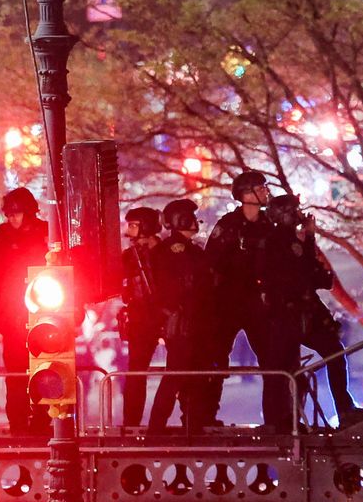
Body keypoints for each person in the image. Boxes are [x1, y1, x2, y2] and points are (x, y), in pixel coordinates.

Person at [267, 195, 363, 428]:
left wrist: (309, 237)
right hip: (290, 316)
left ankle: (341, 411)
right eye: (294, 210)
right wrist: (309, 238)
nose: (299, 214)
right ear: (285, 214)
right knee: (291, 367)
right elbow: (308, 273)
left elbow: (312, 272)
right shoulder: (280, 243)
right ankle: (285, 421)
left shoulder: (289, 241)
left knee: (330, 354)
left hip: (299, 313)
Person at [206, 171, 282, 428]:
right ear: (246, 194)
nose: (266, 192)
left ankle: (274, 419)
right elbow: (210, 265)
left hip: (257, 305)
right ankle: (206, 416)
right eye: (261, 188)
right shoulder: (227, 225)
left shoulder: (269, 227)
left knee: (272, 361)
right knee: (216, 359)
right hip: (226, 303)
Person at [147, 199, 217, 431]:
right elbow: (182, 287)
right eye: (190, 217)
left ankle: (190, 423)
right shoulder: (175, 251)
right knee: (177, 375)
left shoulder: (186, 250)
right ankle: (158, 427)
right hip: (183, 324)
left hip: (194, 322)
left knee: (192, 376)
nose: (195, 221)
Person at [0, 188, 49, 435]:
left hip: (46, 315)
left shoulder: (48, 234)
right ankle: (19, 425)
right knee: (15, 375)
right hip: (12, 318)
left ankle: (43, 421)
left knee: (46, 370)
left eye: (16, 213)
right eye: (8, 214)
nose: (11, 218)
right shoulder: (0, 241)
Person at [117, 206, 167, 428]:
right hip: (140, 318)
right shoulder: (128, 257)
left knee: (179, 373)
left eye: (134, 225)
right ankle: (131, 423)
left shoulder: (166, 253)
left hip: (167, 316)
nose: (130, 230)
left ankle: (164, 423)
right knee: (136, 373)